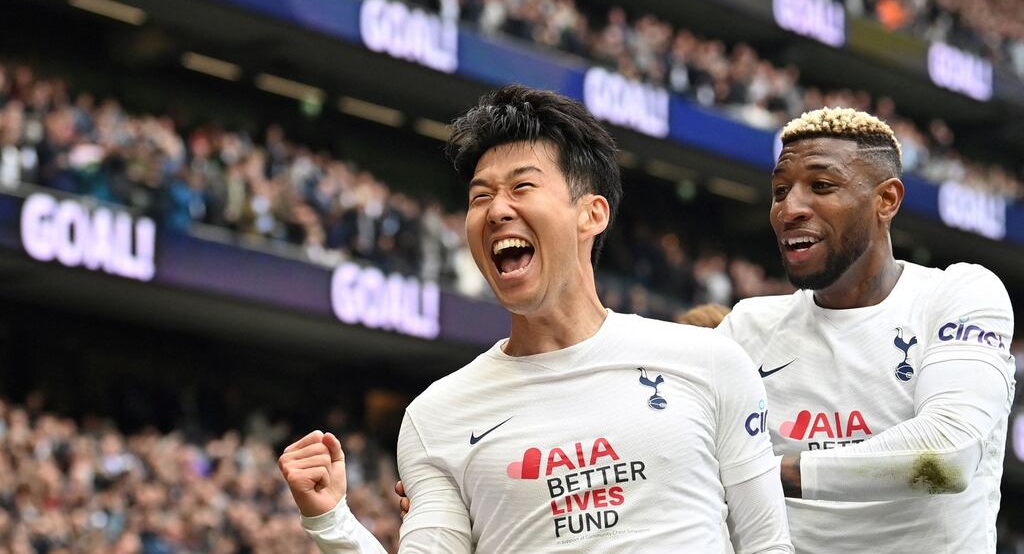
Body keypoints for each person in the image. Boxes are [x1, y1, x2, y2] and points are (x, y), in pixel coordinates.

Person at [278, 85, 794, 553]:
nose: (497, 210)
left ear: (592, 214)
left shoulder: (711, 363)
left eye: (522, 187)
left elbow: (768, 547)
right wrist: (331, 523)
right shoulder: (436, 417)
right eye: (481, 196)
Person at [717, 107, 1015, 553]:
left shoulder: (958, 295)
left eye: (821, 186)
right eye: (780, 191)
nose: (790, 209)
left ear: (887, 200)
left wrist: (758, 473)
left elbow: (942, 460)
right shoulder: (748, 327)